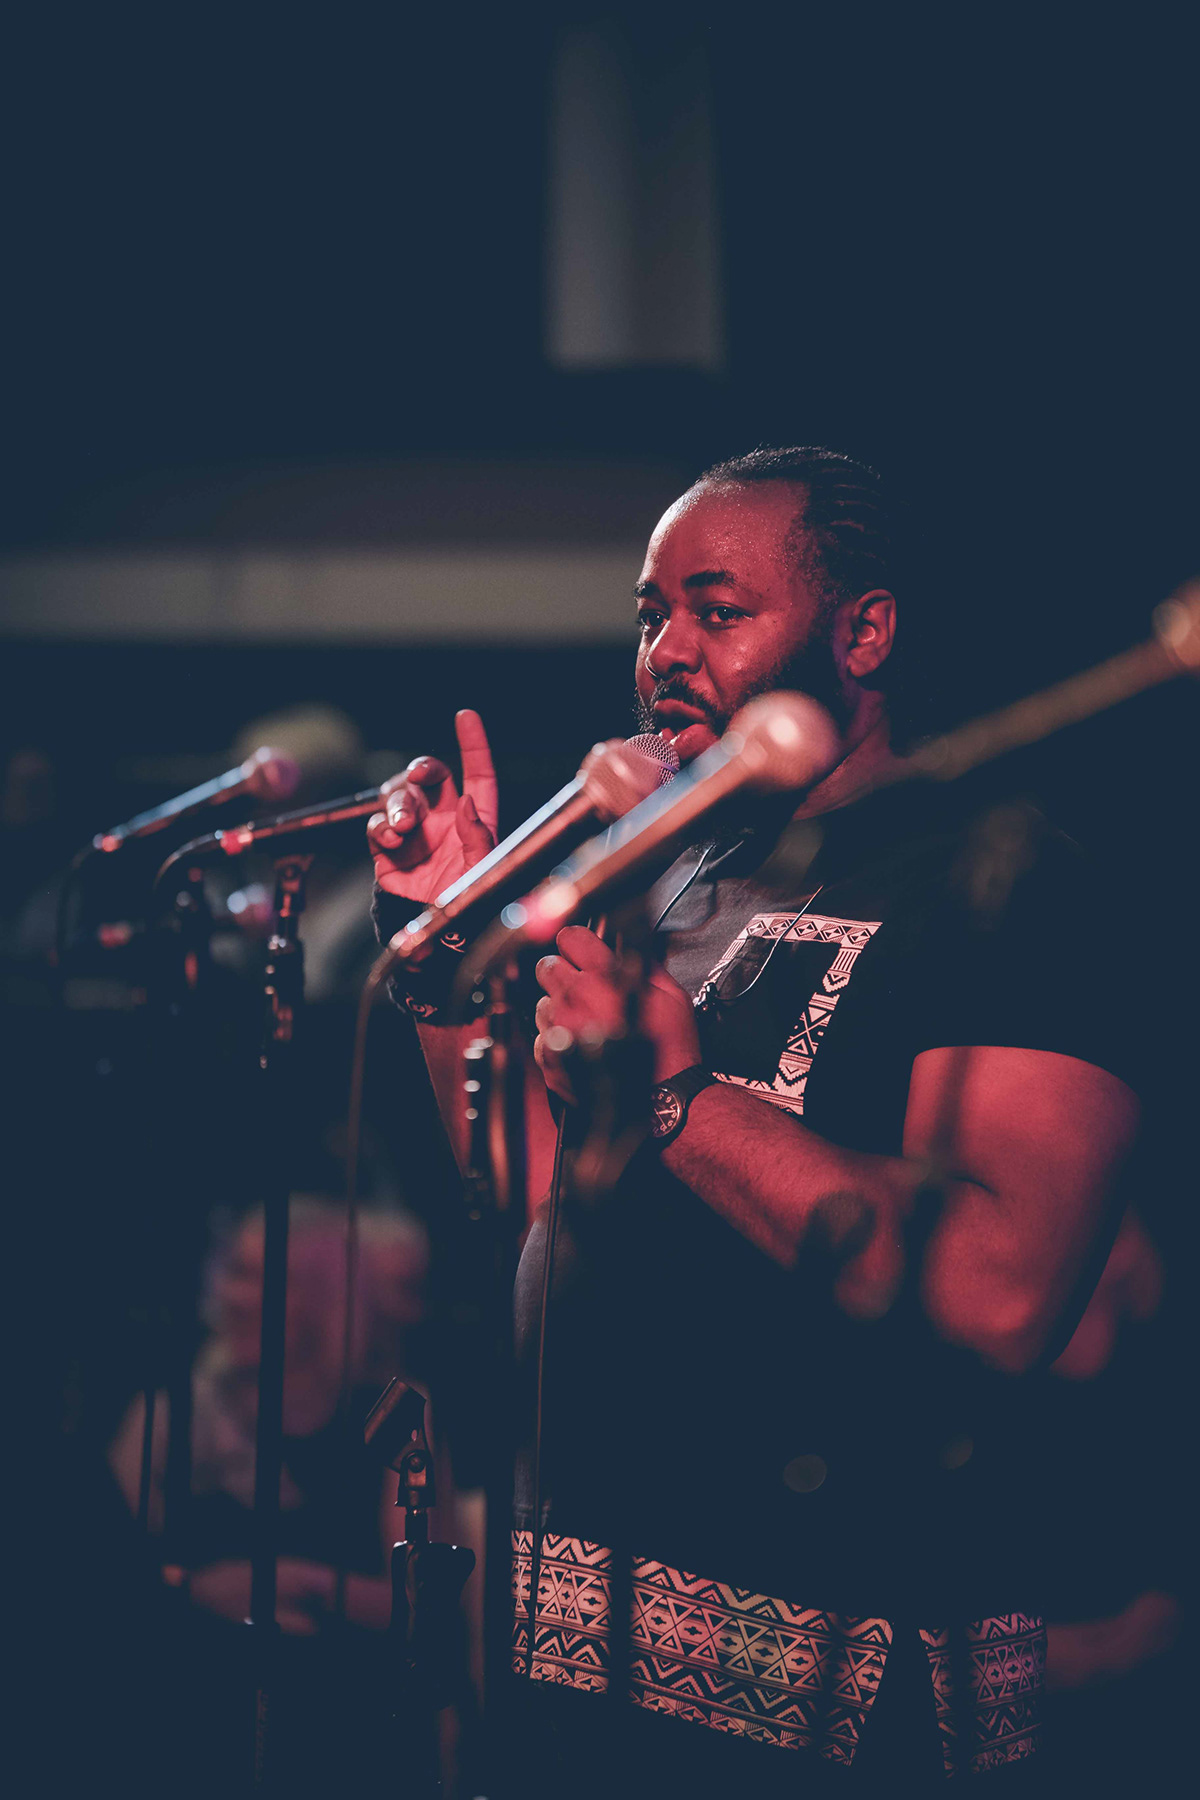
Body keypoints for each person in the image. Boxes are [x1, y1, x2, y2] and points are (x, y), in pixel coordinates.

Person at [367, 448, 1140, 1794]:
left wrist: (683, 1097)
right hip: (591, 1653)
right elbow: (551, 1195)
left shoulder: (999, 872)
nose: (666, 648)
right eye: (650, 614)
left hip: (843, 1689)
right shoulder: (663, 880)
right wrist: (448, 950)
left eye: (717, 611)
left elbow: (1006, 1287)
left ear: (865, 629)